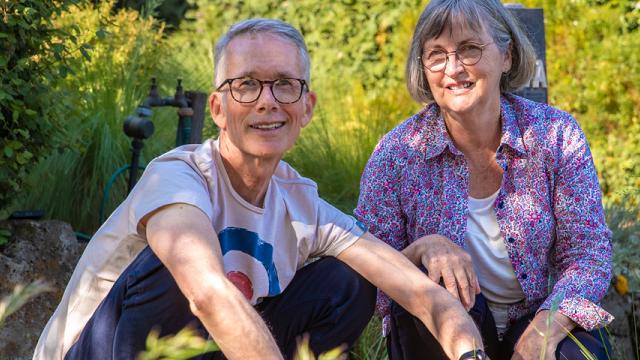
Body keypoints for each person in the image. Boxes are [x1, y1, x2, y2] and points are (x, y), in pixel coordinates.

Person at [34, 18, 486, 360]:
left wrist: (471, 353)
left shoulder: (301, 204)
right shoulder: (178, 176)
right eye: (247, 84)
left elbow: (418, 293)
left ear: (306, 107)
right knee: (178, 266)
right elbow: (207, 292)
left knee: (347, 280)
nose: (267, 100)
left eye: (285, 85)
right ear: (217, 106)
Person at [355, 1, 614, 359]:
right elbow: (369, 277)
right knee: (430, 294)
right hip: (439, 330)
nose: (453, 68)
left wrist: (545, 327)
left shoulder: (556, 134)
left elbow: (588, 254)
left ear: (506, 56)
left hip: (534, 314)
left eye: (469, 49)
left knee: (572, 353)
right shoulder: (397, 153)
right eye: (436, 54)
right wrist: (422, 249)